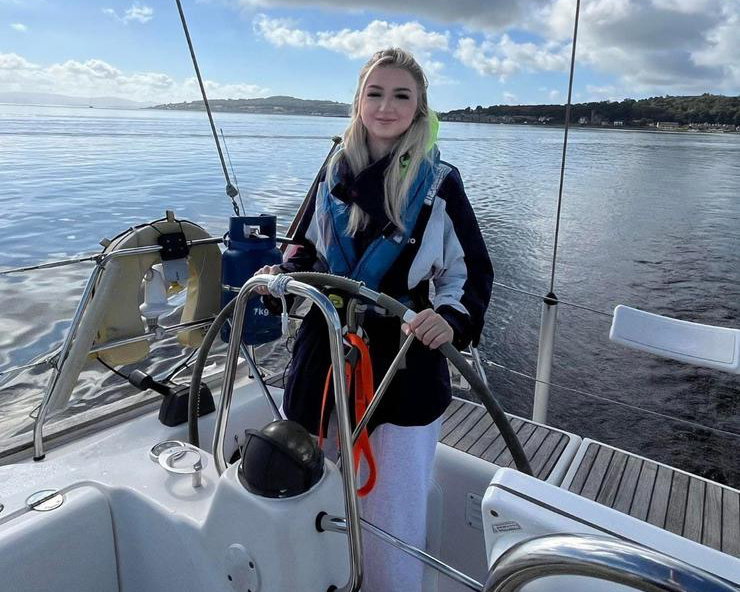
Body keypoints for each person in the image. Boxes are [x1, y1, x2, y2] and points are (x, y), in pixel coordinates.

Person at [255, 47, 493, 592]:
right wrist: (282, 275)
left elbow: (471, 272)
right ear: (359, 102)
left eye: (401, 95)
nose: (386, 106)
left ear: (419, 107)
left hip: (403, 361)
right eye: (375, 93)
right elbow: (303, 249)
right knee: (314, 495)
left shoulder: (440, 183)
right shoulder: (334, 168)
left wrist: (451, 319)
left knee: (392, 518)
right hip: (322, 357)